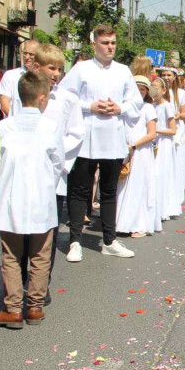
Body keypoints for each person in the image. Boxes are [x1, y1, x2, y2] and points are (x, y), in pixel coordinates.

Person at [60, 25, 141, 262]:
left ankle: (109, 240)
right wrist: (90, 106)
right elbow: (65, 97)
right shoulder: (81, 69)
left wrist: (120, 108)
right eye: (105, 42)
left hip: (113, 137)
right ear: (94, 44)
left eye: (113, 42)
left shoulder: (123, 71)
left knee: (108, 191)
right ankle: (75, 240)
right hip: (85, 137)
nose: (110, 47)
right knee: (80, 190)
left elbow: (135, 102)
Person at [0, 71, 63, 329]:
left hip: (11, 199)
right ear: (42, 98)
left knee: (11, 255)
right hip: (41, 200)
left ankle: (13, 308)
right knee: (40, 255)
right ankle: (34, 307)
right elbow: (58, 164)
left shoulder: (3, 127)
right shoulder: (50, 127)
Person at [36, 44, 85, 303]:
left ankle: (42, 284)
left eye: (59, 69)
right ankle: (23, 279)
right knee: (25, 230)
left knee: (49, 231)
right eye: (50, 68)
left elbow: (76, 133)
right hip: (28, 173)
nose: (55, 73)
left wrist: (58, 158)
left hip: (54, 174)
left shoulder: (67, 99)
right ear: (37, 67)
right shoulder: (26, 93)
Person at [117, 73, 160, 237]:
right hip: (125, 149)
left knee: (138, 186)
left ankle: (138, 223)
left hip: (140, 151)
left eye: (143, 90)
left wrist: (133, 145)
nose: (140, 92)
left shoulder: (148, 108)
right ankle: (121, 221)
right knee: (122, 185)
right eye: (137, 89)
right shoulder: (124, 108)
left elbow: (152, 134)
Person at [153, 78, 180, 221]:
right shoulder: (152, 105)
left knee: (162, 173)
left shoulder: (167, 106)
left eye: (157, 88)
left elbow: (173, 130)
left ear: (163, 90)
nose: (154, 90)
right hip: (155, 141)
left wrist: (156, 131)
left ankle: (164, 207)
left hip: (164, 143)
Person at [0, 39, 40, 116]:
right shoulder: (10, 75)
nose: (27, 57)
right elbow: (5, 104)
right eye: (25, 53)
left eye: (31, 54)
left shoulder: (42, 77)